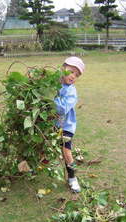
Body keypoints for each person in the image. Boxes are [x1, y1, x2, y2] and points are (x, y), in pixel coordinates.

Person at [54, 56, 85, 193]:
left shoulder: (71, 91)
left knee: (66, 151)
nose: (73, 76)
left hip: (66, 125)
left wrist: (49, 97)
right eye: (72, 71)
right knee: (42, 144)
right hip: (52, 124)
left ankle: (72, 178)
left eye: (77, 75)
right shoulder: (53, 83)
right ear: (63, 68)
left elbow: (62, 109)